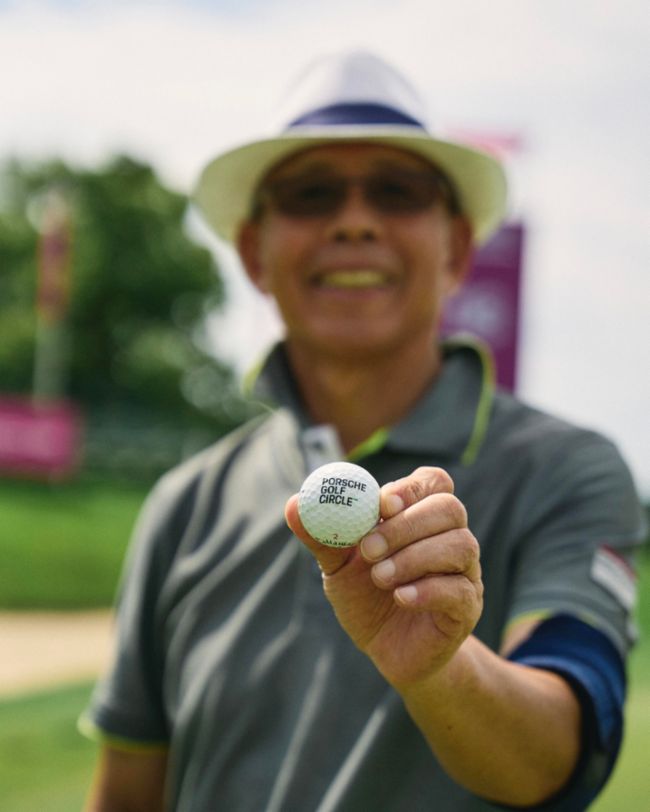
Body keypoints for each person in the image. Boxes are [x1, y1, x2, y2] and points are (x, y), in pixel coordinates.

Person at [80, 51, 646, 811]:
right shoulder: (182, 503)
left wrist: (439, 667)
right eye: (312, 194)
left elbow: (560, 754)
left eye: (398, 191)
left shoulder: (569, 469)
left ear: (457, 249)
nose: (354, 220)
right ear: (254, 253)